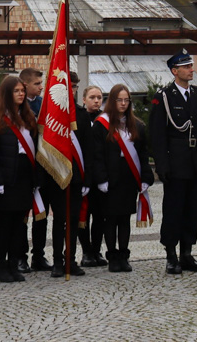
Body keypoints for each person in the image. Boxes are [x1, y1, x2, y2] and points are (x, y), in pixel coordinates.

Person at [150, 49, 197, 275]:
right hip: (176, 162)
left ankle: (187, 252)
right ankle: (171, 254)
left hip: (195, 161)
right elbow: (157, 135)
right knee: (174, 209)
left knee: (192, 210)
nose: (191, 69)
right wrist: (162, 165)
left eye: (191, 66)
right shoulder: (164, 97)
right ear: (174, 71)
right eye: (186, 67)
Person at [0, 75, 40, 283]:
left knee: (19, 225)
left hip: (25, 176)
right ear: (7, 93)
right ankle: (1, 267)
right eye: (16, 91)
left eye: (22, 91)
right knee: (5, 224)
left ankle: (14, 264)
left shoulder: (28, 116)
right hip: (6, 179)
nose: (21, 94)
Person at [92, 84, 153, 272]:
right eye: (120, 100)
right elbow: (97, 155)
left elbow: (143, 154)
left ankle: (124, 255)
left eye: (127, 100)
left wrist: (144, 177)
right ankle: (112, 257)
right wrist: (101, 179)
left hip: (128, 177)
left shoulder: (136, 125)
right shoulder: (101, 125)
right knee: (110, 219)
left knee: (125, 219)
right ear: (112, 101)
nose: (124, 103)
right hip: (110, 178)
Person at [41, 70, 92, 278]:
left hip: (77, 177)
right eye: (67, 86)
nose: (71, 90)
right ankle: (57, 262)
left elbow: (89, 148)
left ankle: (70, 259)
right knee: (59, 219)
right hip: (57, 176)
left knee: (73, 219)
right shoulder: (51, 114)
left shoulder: (81, 114)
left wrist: (88, 178)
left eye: (74, 87)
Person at [18, 67, 50, 273]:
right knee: (22, 215)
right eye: (37, 84)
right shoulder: (16, 107)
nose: (41, 87)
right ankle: (20, 256)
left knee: (42, 214)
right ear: (25, 84)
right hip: (22, 169)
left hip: (43, 167)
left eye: (41, 83)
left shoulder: (43, 105)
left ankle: (39, 255)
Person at [78, 85, 108, 267]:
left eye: (99, 97)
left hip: (101, 174)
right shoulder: (80, 118)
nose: (96, 101)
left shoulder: (105, 119)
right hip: (85, 174)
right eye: (92, 97)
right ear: (84, 99)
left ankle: (96, 250)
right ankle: (86, 251)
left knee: (100, 216)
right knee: (84, 215)